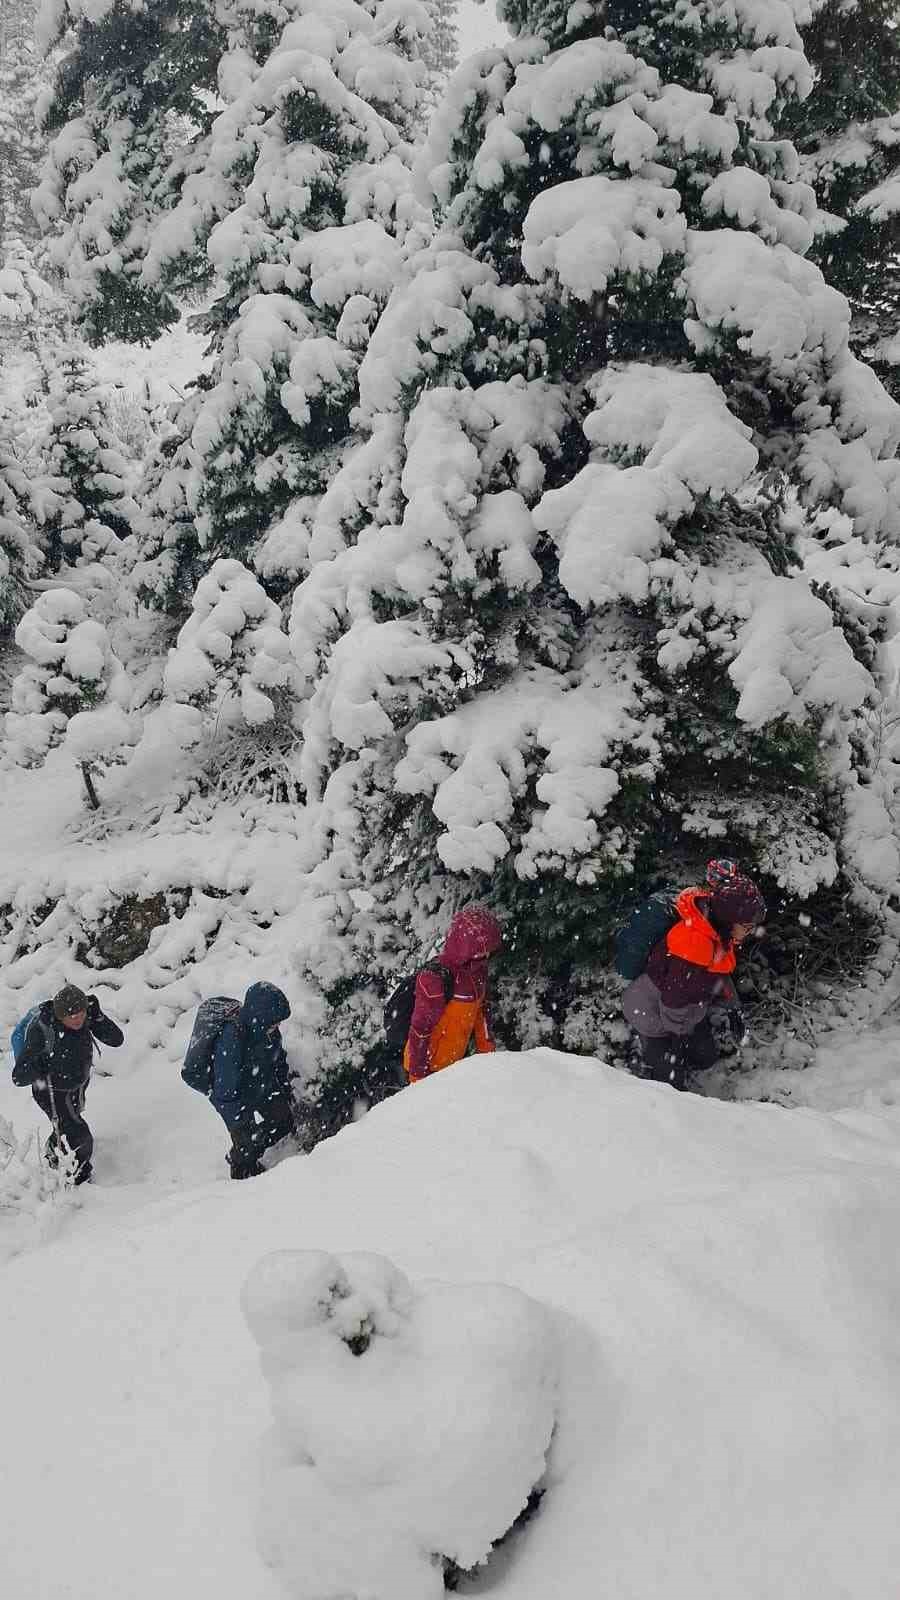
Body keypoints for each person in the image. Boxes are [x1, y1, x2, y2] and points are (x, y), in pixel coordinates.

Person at [622, 873, 766, 1090]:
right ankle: (644, 1058)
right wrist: (677, 1039)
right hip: (651, 1010)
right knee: (671, 1085)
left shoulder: (717, 933)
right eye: (746, 925)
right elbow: (673, 1001)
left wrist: (733, 1008)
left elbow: (720, 974)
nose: (750, 931)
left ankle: (674, 1057)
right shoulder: (694, 945)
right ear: (729, 919)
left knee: (705, 1058)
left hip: (686, 1009)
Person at [11, 983, 125, 1184]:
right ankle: (79, 1179)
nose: (77, 1019)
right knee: (79, 1135)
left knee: (67, 1127)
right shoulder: (42, 1030)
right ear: (59, 1015)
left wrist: (98, 1017)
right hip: (51, 1091)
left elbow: (117, 1040)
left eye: (80, 1014)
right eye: (71, 1016)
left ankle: (54, 1156)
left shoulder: (86, 1015)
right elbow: (18, 1077)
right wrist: (39, 1064)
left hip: (77, 1085)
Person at [404, 905, 501, 1083]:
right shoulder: (435, 979)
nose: (486, 956)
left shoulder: (478, 972)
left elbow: (481, 1012)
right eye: (481, 952)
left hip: (453, 1067)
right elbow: (420, 1030)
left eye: (488, 952)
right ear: (465, 947)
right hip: (427, 1070)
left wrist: (487, 1052)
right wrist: (417, 1076)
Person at [211, 982, 298, 1179]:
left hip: (258, 1084)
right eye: (275, 1021)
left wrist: (284, 1087)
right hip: (232, 1097)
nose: (278, 1026)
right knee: (246, 1144)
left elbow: (278, 1059)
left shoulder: (268, 1030)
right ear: (261, 1017)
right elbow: (225, 1092)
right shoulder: (231, 1039)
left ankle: (249, 1151)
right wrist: (241, 1126)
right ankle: (242, 1173)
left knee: (283, 1121)